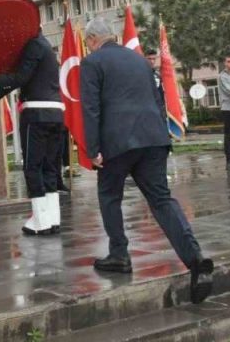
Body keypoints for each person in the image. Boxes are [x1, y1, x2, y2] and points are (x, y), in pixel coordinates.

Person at [79, 18, 213, 304]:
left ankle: (119, 254)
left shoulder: (92, 63)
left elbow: (90, 108)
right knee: (162, 200)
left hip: (117, 142)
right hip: (153, 137)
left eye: (87, 43)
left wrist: (92, 149)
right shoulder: (141, 61)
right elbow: (157, 99)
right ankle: (196, 259)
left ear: (92, 40)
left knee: (109, 195)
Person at [0, 29, 64, 236]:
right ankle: (52, 218)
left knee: (33, 166)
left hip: (37, 113)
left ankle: (41, 221)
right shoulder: (45, 44)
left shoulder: (33, 45)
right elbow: (28, 77)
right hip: (56, 113)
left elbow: (21, 77)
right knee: (50, 167)